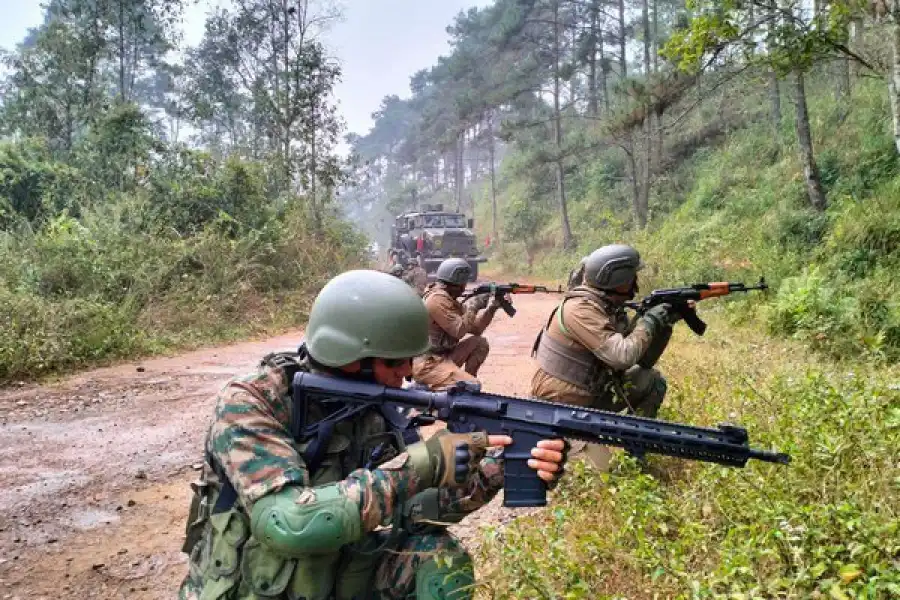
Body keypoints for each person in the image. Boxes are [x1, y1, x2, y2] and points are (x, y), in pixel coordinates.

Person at [179, 269, 566, 600]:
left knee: (438, 560)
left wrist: (497, 466)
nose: (408, 373)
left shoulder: (379, 409)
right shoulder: (252, 402)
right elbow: (289, 525)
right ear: (349, 355)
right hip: (256, 586)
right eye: (394, 362)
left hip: (332, 574)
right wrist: (423, 463)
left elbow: (415, 513)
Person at [529, 244, 679, 467]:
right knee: (605, 477)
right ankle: (570, 447)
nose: (635, 286)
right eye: (631, 279)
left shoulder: (607, 308)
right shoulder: (579, 310)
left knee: (651, 380)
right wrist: (649, 321)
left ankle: (634, 452)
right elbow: (623, 356)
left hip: (593, 399)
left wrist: (664, 324)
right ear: (615, 280)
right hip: (560, 410)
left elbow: (643, 360)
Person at [411, 258, 503, 391]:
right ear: (454, 284)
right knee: (473, 386)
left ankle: (462, 384)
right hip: (428, 364)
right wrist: (474, 305)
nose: (464, 288)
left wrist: (492, 308)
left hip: (443, 357)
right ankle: (438, 389)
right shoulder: (436, 300)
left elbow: (476, 329)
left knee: (479, 343)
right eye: (462, 284)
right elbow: (458, 330)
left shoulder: (448, 300)